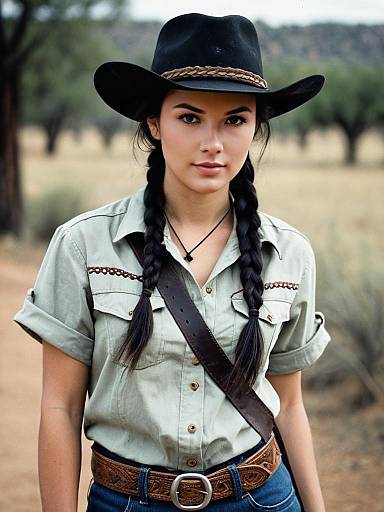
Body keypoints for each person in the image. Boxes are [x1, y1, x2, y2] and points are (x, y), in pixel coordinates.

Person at [14, 12, 332, 512]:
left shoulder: (288, 253)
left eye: (235, 120)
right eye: (189, 117)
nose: (213, 143)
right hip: (127, 502)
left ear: (255, 128)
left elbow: (289, 406)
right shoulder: (84, 244)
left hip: (261, 497)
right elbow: (60, 407)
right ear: (153, 123)